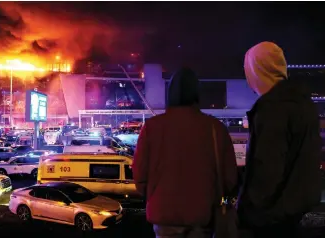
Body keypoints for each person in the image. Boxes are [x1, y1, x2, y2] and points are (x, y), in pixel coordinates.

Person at [132, 68, 238, 238]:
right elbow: (230, 179)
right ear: (197, 93)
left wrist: (155, 194)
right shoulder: (215, 128)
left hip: (164, 216)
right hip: (202, 217)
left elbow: (139, 176)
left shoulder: (151, 128)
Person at [237, 41, 322, 238]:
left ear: (257, 71)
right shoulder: (304, 103)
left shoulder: (272, 108)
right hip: (298, 212)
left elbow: (267, 169)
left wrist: (248, 213)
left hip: (273, 219)